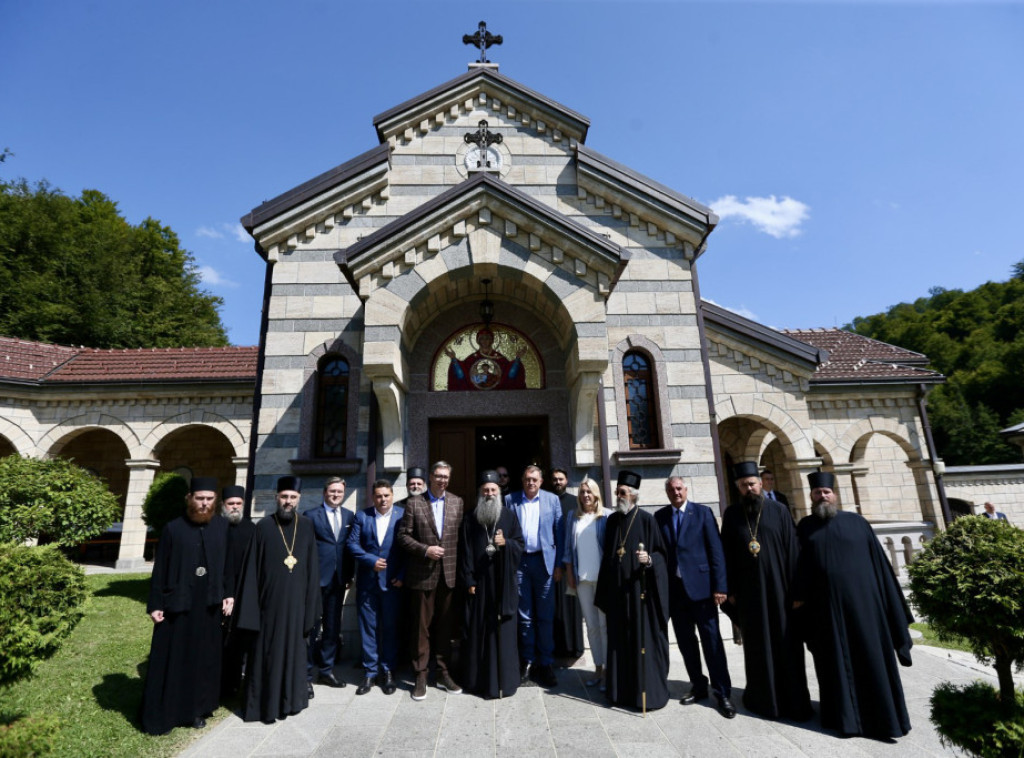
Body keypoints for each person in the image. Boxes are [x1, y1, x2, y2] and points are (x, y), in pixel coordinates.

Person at [795, 471, 914, 739]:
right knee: (832, 663)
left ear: (834, 495)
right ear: (811, 496)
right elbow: (799, 568)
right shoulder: (804, 527)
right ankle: (843, 720)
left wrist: (889, 604)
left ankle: (884, 720)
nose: (822, 496)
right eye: (817, 493)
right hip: (825, 611)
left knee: (871, 659)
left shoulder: (858, 523)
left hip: (865, 610)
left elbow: (881, 567)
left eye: (826, 492)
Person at [720, 462, 811, 721]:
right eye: (743, 485)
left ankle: (793, 702)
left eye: (752, 484)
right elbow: (726, 553)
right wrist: (731, 590)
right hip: (750, 596)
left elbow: (793, 551)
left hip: (781, 593)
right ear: (738, 488)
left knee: (787, 646)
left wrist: (797, 592)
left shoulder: (779, 511)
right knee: (757, 647)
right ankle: (761, 700)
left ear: (761, 484)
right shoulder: (732, 514)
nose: (749, 489)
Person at [140, 477, 229, 735]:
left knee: (203, 659)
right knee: (175, 658)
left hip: (209, 604)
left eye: (209, 499)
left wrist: (228, 594)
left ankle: (197, 709)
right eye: (199, 498)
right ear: (189, 499)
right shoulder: (173, 529)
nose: (204, 504)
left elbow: (227, 566)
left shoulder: (221, 527)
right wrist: (155, 603)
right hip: (177, 604)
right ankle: (170, 710)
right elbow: (160, 569)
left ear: (215, 501)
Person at [236, 476, 320, 723]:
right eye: (284, 497)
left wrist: (312, 605)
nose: (288, 501)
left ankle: (291, 701)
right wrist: (251, 609)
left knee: (295, 652)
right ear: (276, 498)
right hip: (268, 606)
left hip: (296, 607)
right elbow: (251, 569)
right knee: (267, 654)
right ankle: (267, 704)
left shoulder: (306, 526)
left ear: (299, 499)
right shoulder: (263, 527)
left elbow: (312, 568)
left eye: (293, 497)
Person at [655, 476, 735, 718]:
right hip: (676, 593)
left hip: (702, 591)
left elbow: (716, 551)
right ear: (667, 493)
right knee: (686, 643)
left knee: (712, 642)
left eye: (679, 488)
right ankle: (698, 686)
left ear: (686, 489)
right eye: (671, 489)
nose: (676, 492)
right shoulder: (660, 517)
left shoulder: (702, 513)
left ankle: (722, 693)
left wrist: (720, 586)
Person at [595, 470, 671, 712]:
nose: (619, 496)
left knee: (641, 643)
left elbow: (661, 556)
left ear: (634, 496)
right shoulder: (612, 521)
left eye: (623, 493)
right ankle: (618, 692)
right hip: (618, 595)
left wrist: (649, 560)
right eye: (617, 492)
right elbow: (608, 556)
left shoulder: (647, 520)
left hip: (641, 595)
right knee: (618, 643)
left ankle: (642, 695)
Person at [396, 460, 464, 700]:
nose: (442, 480)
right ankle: (421, 675)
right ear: (431, 477)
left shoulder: (457, 502)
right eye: (438, 475)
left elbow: (460, 540)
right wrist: (425, 550)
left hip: (449, 575)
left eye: (446, 476)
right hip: (422, 575)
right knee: (420, 629)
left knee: (445, 627)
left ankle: (443, 672)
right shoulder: (415, 503)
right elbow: (403, 536)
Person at [458, 470, 525, 698]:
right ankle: (478, 681)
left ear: (499, 492)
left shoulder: (509, 516)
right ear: (480, 492)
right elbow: (464, 552)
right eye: (485, 490)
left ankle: (504, 681)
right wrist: (468, 580)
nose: (489, 494)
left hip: (502, 584)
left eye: (493, 490)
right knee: (479, 632)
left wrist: (506, 543)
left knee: (504, 631)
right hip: (479, 584)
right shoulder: (470, 518)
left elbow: (520, 545)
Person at [505, 465, 564, 688]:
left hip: (544, 563)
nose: (531, 483)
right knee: (525, 616)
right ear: (522, 480)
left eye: (535, 480)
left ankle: (546, 663)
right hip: (520, 563)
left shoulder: (551, 500)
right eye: (528, 479)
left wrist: (558, 565)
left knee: (545, 616)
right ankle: (528, 661)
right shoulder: (511, 500)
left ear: (541, 482)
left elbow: (559, 534)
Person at [347, 479, 405, 695]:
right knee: (368, 628)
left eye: (386, 495)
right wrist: (370, 560)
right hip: (368, 583)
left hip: (392, 583)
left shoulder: (402, 515)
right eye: (379, 496)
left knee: (390, 628)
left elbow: (408, 548)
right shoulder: (363, 516)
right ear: (373, 497)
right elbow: (352, 544)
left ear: (392, 496)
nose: (383, 499)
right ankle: (370, 672)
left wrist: (402, 575)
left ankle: (388, 671)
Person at [304, 477, 354, 689]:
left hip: (338, 580)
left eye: (340, 492)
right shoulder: (310, 516)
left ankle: (326, 670)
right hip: (316, 580)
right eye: (332, 491)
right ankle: (306, 676)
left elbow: (350, 548)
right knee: (311, 628)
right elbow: (305, 549)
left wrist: (350, 575)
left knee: (333, 627)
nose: (336, 495)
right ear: (325, 493)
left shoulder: (349, 516)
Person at [562, 476, 608, 690]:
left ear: (596, 493)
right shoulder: (573, 516)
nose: (585, 495)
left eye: (589, 491)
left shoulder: (606, 516)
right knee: (591, 626)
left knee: (604, 625)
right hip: (582, 579)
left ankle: (609, 670)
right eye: (582, 492)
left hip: (603, 578)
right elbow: (567, 549)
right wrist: (570, 572)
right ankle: (598, 668)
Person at [220, 484, 255, 699]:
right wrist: (226, 593)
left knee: (238, 644)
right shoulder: (215, 528)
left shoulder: (251, 529)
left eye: (238, 504)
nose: (235, 507)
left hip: (243, 596)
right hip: (219, 595)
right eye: (231, 504)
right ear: (223, 505)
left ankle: (235, 684)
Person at [551, 467, 585, 663]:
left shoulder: (575, 502)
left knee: (574, 606)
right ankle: (560, 647)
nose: (557, 482)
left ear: (567, 480)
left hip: (573, 562)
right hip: (555, 563)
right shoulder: (548, 500)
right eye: (554, 479)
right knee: (557, 607)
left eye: (560, 479)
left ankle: (575, 647)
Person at [445, 327, 526, 391]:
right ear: (478, 341)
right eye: (482, 338)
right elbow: (463, 376)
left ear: (491, 341)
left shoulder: (499, 358)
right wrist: (454, 359)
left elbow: (509, 376)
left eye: (487, 338)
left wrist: (517, 359)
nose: (485, 341)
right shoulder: (472, 358)